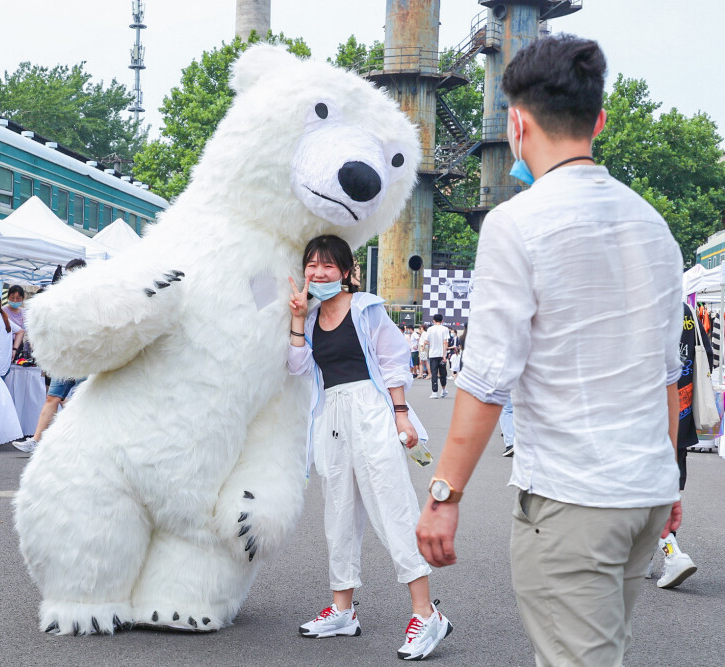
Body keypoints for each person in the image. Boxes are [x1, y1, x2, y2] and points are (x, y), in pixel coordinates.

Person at [415, 36, 683, 667]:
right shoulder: (655, 226)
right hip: (644, 493)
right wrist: (669, 478)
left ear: (516, 122)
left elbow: (485, 380)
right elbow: (666, 374)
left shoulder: (518, 223)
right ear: (600, 121)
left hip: (574, 498)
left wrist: (444, 496)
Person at [287, 236, 452, 660]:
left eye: (328, 266)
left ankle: (427, 614)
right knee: (337, 513)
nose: (318, 273)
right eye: (312, 266)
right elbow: (298, 367)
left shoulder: (366, 308)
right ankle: (343, 610)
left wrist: (400, 413)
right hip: (333, 417)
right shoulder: (308, 317)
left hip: (372, 410)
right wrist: (296, 319)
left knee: (391, 507)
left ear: (345, 271)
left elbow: (394, 360)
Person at [650, 302, 709, 588]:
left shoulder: (646, 305)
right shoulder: (686, 310)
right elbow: (707, 353)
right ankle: (652, 557)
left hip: (651, 412)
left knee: (648, 489)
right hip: (681, 412)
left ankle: (671, 555)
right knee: (672, 485)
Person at [16, 259, 86, 454]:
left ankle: (83, 440)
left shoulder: (89, 297)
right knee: (53, 397)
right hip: (64, 357)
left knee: (83, 399)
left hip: (84, 358)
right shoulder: (62, 298)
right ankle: (36, 440)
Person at [425, 314, 449, 399]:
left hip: (433, 354)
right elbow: (445, 342)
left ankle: (434, 392)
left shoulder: (430, 329)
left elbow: (426, 341)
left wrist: (431, 343)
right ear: (442, 321)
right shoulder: (445, 329)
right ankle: (443, 390)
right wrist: (444, 355)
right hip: (442, 354)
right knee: (443, 373)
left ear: (433, 321)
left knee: (434, 373)